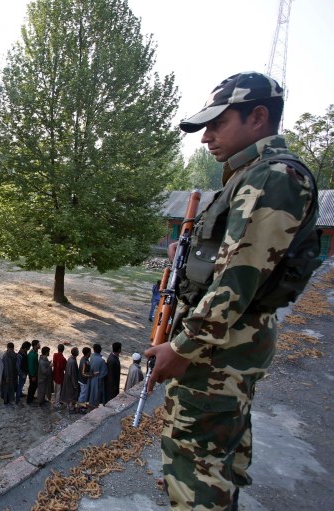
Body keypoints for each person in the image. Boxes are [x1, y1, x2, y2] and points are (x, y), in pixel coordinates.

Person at [146, 72, 319, 510]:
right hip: (226, 345)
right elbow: (228, 263)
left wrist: (181, 347)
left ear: (258, 116)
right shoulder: (250, 175)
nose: (206, 137)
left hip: (217, 351)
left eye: (217, 123)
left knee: (195, 470)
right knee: (214, 461)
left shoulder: (272, 177)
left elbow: (236, 282)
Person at [61, 348, 80, 412]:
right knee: (72, 394)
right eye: (78, 351)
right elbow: (73, 374)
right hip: (71, 382)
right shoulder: (72, 361)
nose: (78, 352)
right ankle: (71, 408)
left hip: (68, 380)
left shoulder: (70, 359)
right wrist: (74, 384)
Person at [1, 342, 18, 406]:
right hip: (13, 374)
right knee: (11, 388)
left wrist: (6, 376)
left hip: (8, 375)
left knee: (6, 388)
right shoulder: (14, 354)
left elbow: (5, 367)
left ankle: (6, 400)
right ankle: (10, 399)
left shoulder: (5, 355)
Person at [16, 341, 31, 406]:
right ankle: (17, 399)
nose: (28, 349)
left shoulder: (23, 352)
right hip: (22, 372)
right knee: (20, 385)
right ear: (25, 348)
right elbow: (18, 366)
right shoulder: (20, 355)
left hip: (24, 372)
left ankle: (20, 394)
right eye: (28, 348)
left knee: (22, 384)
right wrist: (22, 374)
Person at [26, 340, 40, 404]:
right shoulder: (32, 355)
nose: (39, 345)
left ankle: (31, 397)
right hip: (33, 375)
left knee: (34, 386)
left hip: (35, 374)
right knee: (32, 386)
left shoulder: (34, 353)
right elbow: (31, 366)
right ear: (34, 346)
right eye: (38, 344)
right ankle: (29, 399)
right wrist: (33, 376)